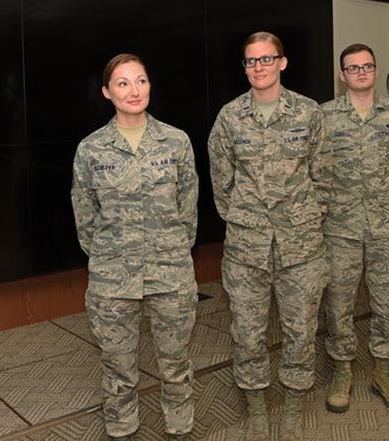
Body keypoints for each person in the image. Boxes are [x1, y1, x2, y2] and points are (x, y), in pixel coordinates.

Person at [208, 32, 331, 441]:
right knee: (248, 330)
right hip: (247, 247)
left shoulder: (309, 113)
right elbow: (220, 181)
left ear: (283, 62)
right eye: (250, 61)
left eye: (266, 59)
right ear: (244, 67)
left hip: (302, 246)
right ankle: (257, 404)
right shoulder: (229, 117)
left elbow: (325, 175)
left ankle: (294, 402)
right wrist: (245, 218)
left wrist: (305, 217)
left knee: (301, 329)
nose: (258, 67)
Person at [71, 54, 198, 441]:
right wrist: (109, 256)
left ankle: (180, 426)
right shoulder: (91, 149)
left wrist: (172, 250)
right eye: (123, 83)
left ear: (150, 86)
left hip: (170, 272)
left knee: (175, 362)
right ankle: (122, 427)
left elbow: (188, 207)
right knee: (118, 365)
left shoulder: (176, 141)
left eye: (140, 80)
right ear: (107, 92)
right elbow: (84, 214)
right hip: (113, 278)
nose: (134, 90)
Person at [319, 43, 389, 413]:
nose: (360, 72)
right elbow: (318, 170)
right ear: (342, 75)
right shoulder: (325, 116)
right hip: (339, 228)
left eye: (367, 66)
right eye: (352, 67)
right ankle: (342, 371)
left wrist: (383, 197)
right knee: (339, 305)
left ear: (376, 70)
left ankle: (382, 371)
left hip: (387, 226)